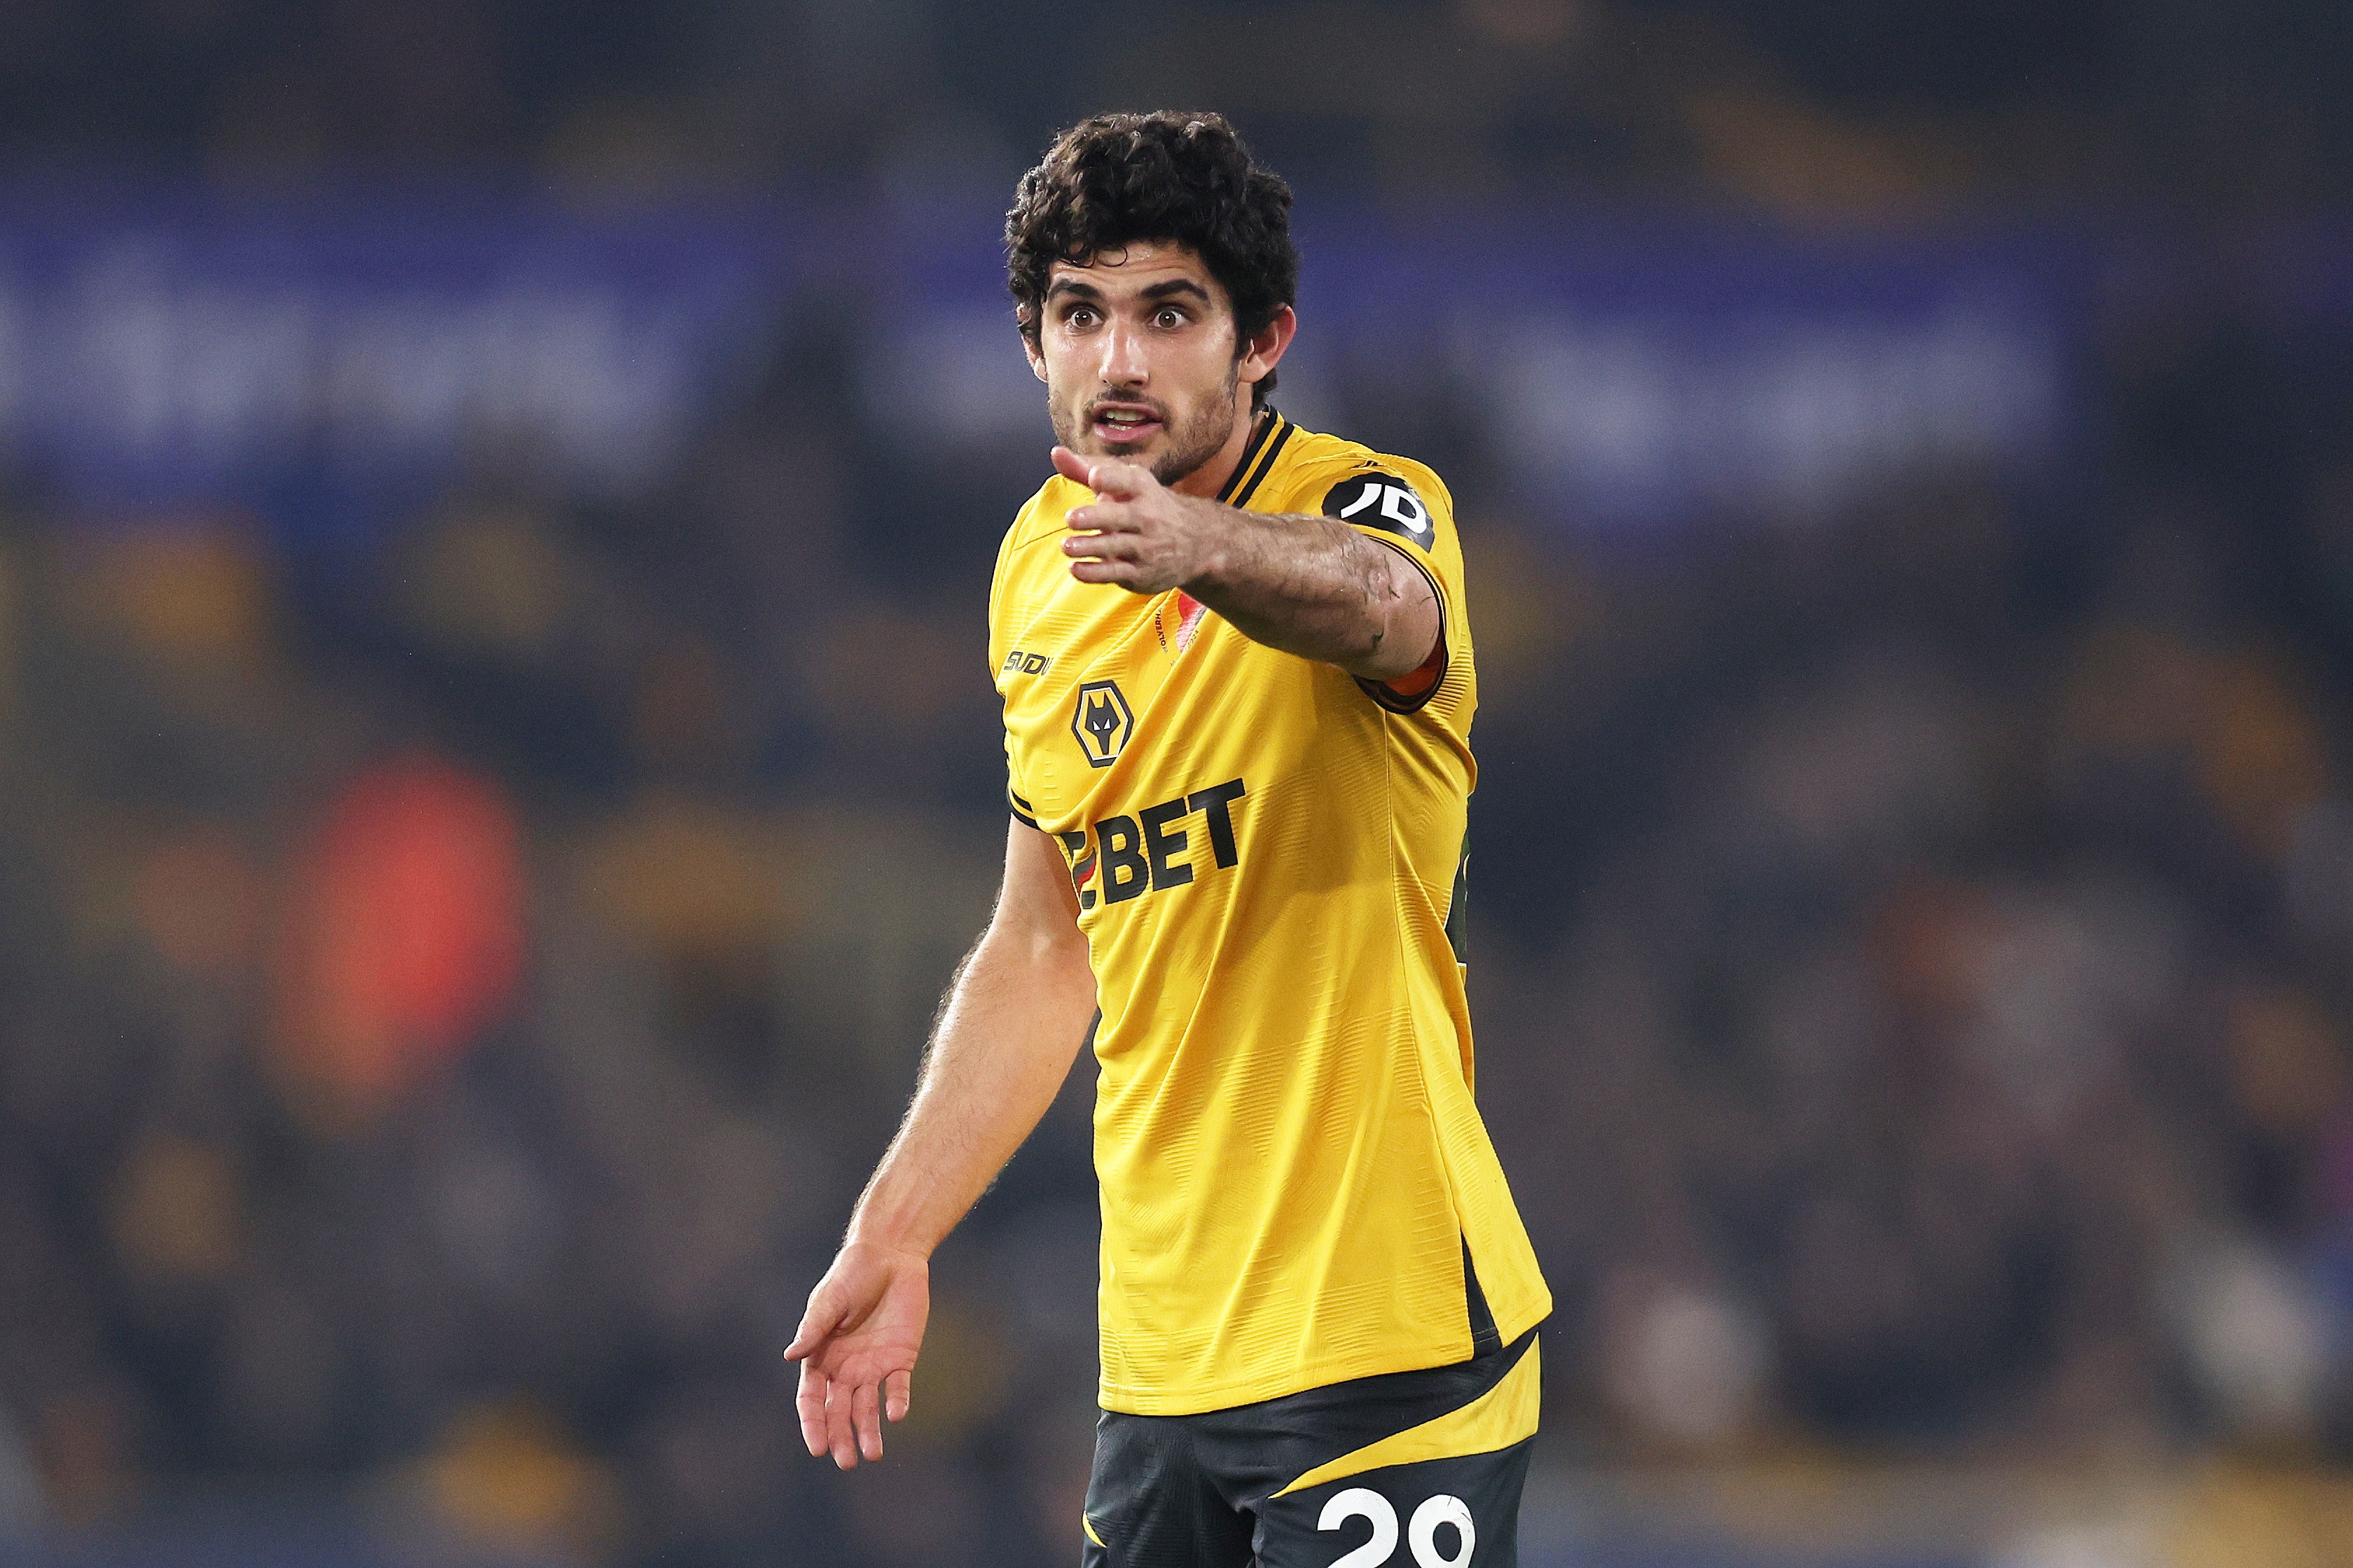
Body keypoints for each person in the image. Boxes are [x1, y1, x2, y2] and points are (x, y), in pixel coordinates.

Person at [786, 110, 1550, 1567]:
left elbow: (1383, 604)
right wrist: (896, 1229)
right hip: (1165, 1365)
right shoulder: (1037, 573)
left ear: (1262, 341)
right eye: (1080, 314)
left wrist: (1202, 546)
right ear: (1032, 343)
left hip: (1388, 1342)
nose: (1119, 361)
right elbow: (1043, 939)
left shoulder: (1363, 505)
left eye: (1169, 314)